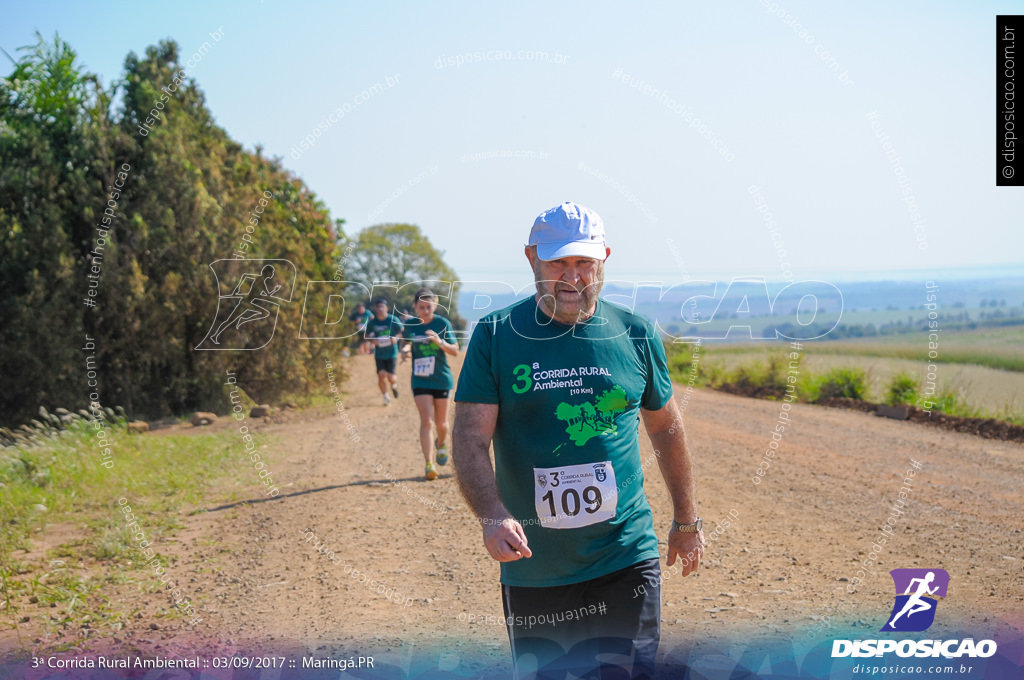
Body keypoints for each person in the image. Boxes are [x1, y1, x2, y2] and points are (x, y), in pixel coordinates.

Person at [453, 202, 704, 679]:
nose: (572, 276)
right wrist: (493, 515)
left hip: (626, 555)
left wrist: (686, 520)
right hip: (535, 566)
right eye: (558, 263)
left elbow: (666, 429)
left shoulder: (635, 333)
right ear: (531, 259)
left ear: (604, 259)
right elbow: (469, 439)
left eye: (584, 263)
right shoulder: (495, 335)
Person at [399, 288, 459, 481]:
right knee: (427, 420)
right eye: (422, 307)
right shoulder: (410, 325)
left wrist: (439, 341)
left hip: (441, 378)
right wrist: (406, 350)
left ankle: (441, 444)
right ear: (415, 307)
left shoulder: (442, 323)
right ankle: (429, 464)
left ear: (435, 305)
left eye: (429, 307)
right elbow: (406, 343)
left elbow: (455, 350)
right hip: (420, 379)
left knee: (442, 424)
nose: (425, 311)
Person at [364, 298, 404, 406]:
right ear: (376, 309)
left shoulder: (393, 319)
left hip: (391, 353)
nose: (380, 309)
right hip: (379, 354)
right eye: (378, 307)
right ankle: (386, 397)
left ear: (387, 308)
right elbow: (366, 336)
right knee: (381, 376)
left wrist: (396, 338)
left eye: (382, 306)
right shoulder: (372, 322)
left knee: (391, 378)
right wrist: (373, 341)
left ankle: (394, 386)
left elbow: (401, 332)